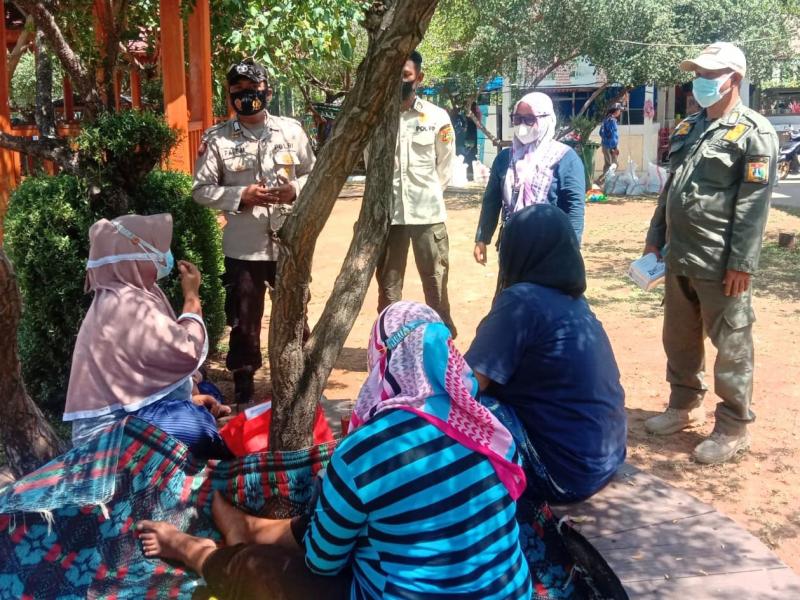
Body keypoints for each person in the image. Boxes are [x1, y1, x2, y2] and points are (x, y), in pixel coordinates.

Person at [136, 301, 531, 600]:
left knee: (267, 569)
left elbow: (322, 563)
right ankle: (248, 528)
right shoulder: (493, 430)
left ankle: (198, 552)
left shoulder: (364, 452)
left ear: (385, 362)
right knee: (364, 516)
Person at [643, 43, 779, 464]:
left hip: (721, 262)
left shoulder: (755, 133)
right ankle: (684, 405)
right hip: (680, 254)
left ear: (733, 79)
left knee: (732, 344)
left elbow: (754, 205)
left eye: (709, 73)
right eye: (697, 73)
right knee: (679, 339)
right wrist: (655, 236)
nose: (700, 81)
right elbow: (671, 190)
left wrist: (742, 262)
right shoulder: (689, 128)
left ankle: (733, 427)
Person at [466, 204, 627, 503]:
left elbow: (465, 384)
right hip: (605, 458)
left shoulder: (522, 301)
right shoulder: (574, 303)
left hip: (563, 474)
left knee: (456, 413)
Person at [193, 59, 316, 404]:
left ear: (268, 90)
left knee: (296, 310)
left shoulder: (291, 131)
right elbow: (201, 190)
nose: (246, 96)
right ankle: (244, 375)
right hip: (243, 246)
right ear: (230, 95)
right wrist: (239, 195)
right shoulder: (216, 139)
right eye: (238, 91)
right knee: (244, 318)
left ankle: (300, 372)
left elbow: (316, 175)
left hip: (290, 242)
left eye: (253, 89)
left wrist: (295, 190)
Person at [63, 214, 231, 460]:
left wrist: (192, 393)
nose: (166, 255)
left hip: (136, 408)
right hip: (111, 433)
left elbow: (163, 363)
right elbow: (186, 351)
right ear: (134, 256)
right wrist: (192, 296)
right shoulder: (125, 305)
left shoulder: (136, 293)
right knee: (199, 429)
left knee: (206, 391)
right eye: (158, 249)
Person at [376, 51, 458, 336]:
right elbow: (369, 161)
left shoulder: (436, 117)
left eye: (406, 75)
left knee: (436, 286)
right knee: (388, 291)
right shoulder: (378, 118)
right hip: (390, 219)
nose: (399, 81)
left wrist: (428, 193)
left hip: (428, 216)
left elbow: (445, 164)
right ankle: (389, 347)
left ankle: (442, 348)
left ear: (419, 78)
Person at [474, 91, 585, 272]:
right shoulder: (504, 158)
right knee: (513, 294)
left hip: (551, 248)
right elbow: (491, 202)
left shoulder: (565, 158)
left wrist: (572, 249)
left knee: (545, 297)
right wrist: (482, 238)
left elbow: (574, 208)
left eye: (529, 119)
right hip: (512, 246)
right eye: (517, 119)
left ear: (546, 119)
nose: (522, 125)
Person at [597, 103, 622, 184]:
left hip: (606, 145)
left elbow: (601, 133)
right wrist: (615, 147)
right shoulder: (611, 121)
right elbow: (613, 135)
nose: (620, 112)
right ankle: (603, 181)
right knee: (611, 164)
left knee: (612, 164)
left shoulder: (606, 119)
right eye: (619, 110)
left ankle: (602, 179)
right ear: (616, 111)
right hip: (610, 146)